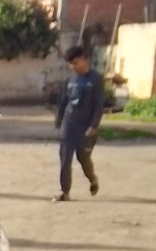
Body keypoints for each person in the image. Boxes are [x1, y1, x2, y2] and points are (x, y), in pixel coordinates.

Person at [54, 47, 103, 202]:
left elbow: (99, 105)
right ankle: (65, 192)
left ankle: (92, 179)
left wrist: (93, 125)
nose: (73, 67)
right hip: (69, 124)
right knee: (65, 158)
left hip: (86, 126)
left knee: (83, 158)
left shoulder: (96, 79)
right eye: (71, 64)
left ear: (84, 58)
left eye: (75, 63)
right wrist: (59, 120)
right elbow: (63, 101)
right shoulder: (69, 80)